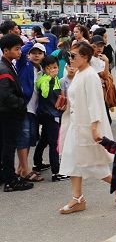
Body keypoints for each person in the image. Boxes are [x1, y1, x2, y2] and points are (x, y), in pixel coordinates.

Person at [58, 42, 114, 214]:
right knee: (71, 160)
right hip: (75, 123)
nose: (70, 59)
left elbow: (95, 103)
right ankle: (78, 198)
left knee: (95, 165)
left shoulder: (90, 76)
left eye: (74, 56)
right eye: (70, 55)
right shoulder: (79, 73)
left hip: (86, 126)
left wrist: (95, 128)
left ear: (85, 57)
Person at [0, 34, 33, 192]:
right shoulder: (4, 69)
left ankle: (7, 177)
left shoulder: (8, 65)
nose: (20, 52)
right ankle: (10, 180)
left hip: (9, 112)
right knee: (9, 146)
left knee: (6, 145)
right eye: (17, 49)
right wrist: (20, 104)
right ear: (6, 51)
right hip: (8, 114)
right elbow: (6, 95)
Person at [32, 55, 69, 182]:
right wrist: (50, 79)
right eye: (49, 68)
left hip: (52, 114)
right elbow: (45, 94)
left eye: (55, 67)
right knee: (54, 144)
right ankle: (56, 172)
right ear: (44, 69)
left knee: (44, 140)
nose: (53, 70)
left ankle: (37, 164)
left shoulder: (56, 79)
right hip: (50, 115)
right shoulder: (44, 80)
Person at [16, 41, 48, 183]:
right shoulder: (24, 65)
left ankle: (21, 168)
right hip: (24, 108)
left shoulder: (42, 70)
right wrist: (34, 42)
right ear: (29, 55)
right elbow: (22, 52)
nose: (36, 55)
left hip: (34, 109)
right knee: (23, 139)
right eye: (33, 53)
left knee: (29, 140)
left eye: (39, 53)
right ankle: (26, 170)